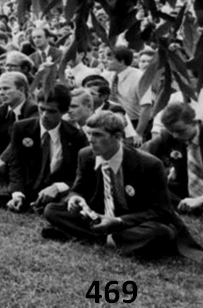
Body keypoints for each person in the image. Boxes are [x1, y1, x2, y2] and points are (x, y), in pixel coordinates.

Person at [42, 111, 201, 261]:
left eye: (97, 134)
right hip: (99, 215)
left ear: (117, 137)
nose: (90, 139)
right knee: (51, 210)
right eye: (88, 133)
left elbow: (161, 211)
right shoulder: (85, 155)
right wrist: (75, 198)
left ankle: (99, 236)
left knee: (162, 232)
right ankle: (112, 239)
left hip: (133, 220)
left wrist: (118, 221)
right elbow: (78, 189)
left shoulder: (149, 164)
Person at [0, 84, 87, 213]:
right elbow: (17, 165)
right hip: (31, 186)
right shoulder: (22, 128)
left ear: (63, 111)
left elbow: (79, 174)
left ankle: (43, 206)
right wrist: (18, 194)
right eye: (42, 109)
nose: (45, 115)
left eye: (52, 111)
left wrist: (57, 187)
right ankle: (30, 203)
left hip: (57, 187)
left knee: (64, 204)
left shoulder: (75, 136)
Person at [143, 102, 203, 213]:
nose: (175, 136)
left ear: (194, 122)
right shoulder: (167, 137)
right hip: (184, 193)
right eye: (171, 132)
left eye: (180, 131)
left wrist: (200, 200)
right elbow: (140, 155)